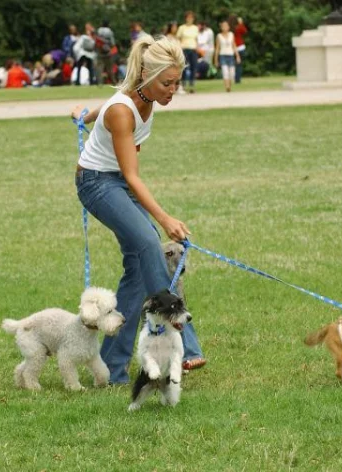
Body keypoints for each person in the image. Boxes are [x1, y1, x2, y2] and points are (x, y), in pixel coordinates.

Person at [71, 34, 206, 385]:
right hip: (97, 184)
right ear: (147, 75)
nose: (173, 90)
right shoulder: (123, 109)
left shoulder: (142, 98)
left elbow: (106, 111)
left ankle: (112, 369)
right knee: (150, 245)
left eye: (177, 82)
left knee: (136, 270)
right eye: (167, 82)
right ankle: (187, 348)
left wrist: (84, 115)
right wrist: (164, 219)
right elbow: (130, 171)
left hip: (119, 183)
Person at [214, 20, 241, 92]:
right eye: (223, 26)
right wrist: (216, 60)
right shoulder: (219, 36)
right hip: (222, 55)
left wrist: (237, 56)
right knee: (225, 72)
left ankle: (230, 86)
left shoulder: (231, 34)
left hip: (231, 55)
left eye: (226, 26)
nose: (225, 27)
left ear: (228, 27)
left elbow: (234, 46)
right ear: (221, 27)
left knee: (232, 73)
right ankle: (227, 87)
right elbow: (217, 48)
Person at [177, 11, 199, 94]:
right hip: (184, 49)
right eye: (188, 17)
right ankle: (183, 85)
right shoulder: (182, 28)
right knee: (184, 68)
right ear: (186, 18)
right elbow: (178, 38)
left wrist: (197, 47)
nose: (190, 19)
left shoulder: (195, 28)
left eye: (191, 18)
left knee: (194, 67)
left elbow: (196, 39)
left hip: (193, 49)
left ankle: (192, 86)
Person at [96, 20, 117, 85]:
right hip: (108, 52)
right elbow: (113, 43)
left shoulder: (99, 30)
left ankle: (99, 83)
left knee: (100, 68)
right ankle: (113, 82)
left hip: (100, 51)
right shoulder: (109, 31)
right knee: (110, 68)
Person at [231, 16, 248, 84]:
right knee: (239, 65)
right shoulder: (238, 27)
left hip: (232, 48)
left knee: (234, 64)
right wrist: (241, 23)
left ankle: (234, 78)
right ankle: (237, 79)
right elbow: (245, 31)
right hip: (240, 47)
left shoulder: (230, 28)